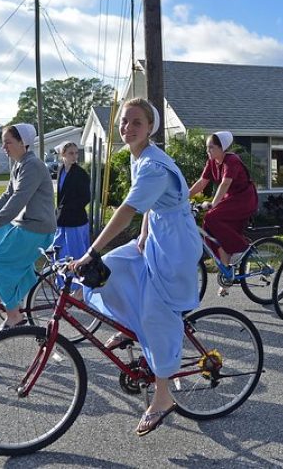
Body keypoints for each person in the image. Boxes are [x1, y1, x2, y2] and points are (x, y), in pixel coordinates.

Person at [71, 98, 202, 437]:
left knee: (157, 314)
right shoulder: (139, 156)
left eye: (136, 123)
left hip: (175, 246)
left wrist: (90, 251)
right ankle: (131, 326)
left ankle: (162, 397)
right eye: (124, 122)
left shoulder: (153, 166)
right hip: (159, 234)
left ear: (150, 129)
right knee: (116, 266)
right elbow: (148, 205)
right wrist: (143, 233)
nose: (127, 127)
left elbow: (128, 208)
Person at [0, 123, 56, 329]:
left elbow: (19, 199)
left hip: (37, 228)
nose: (4, 148)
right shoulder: (18, 165)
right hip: (22, 223)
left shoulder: (34, 166)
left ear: (23, 143)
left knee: (1, 262)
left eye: (8, 143)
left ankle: (14, 314)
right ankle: (25, 279)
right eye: (3, 143)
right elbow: (7, 196)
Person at [188, 131, 258, 295]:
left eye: (211, 147)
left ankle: (240, 247)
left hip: (244, 199)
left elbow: (225, 183)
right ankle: (227, 275)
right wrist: (182, 197)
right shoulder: (212, 162)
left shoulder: (231, 160)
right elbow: (202, 182)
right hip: (230, 200)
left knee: (212, 217)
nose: (208, 151)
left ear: (222, 148)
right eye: (207, 147)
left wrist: (213, 204)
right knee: (211, 230)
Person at [53, 142, 91, 280]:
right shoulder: (61, 170)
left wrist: (69, 209)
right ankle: (62, 284)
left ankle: (78, 288)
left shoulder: (81, 174)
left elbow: (86, 197)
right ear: (63, 154)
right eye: (71, 153)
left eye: (76, 153)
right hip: (62, 220)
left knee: (76, 255)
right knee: (59, 252)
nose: (74, 156)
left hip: (76, 221)